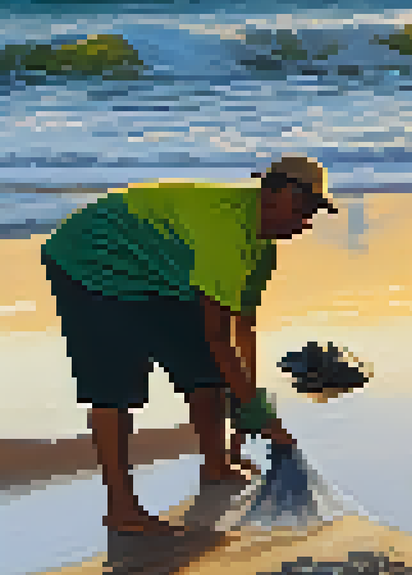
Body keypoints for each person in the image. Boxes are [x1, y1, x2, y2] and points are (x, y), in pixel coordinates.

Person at [40, 155, 332, 535]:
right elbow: (218, 335)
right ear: (273, 193)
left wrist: (251, 410)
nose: (306, 222)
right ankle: (121, 508)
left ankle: (217, 464)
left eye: (313, 211)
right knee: (115, 388)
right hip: (91, 259)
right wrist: (261, 416)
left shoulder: (262, 248)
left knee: (205, 369)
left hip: (159, 273)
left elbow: (242, 330)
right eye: (302, 207)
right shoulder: (226, 231)